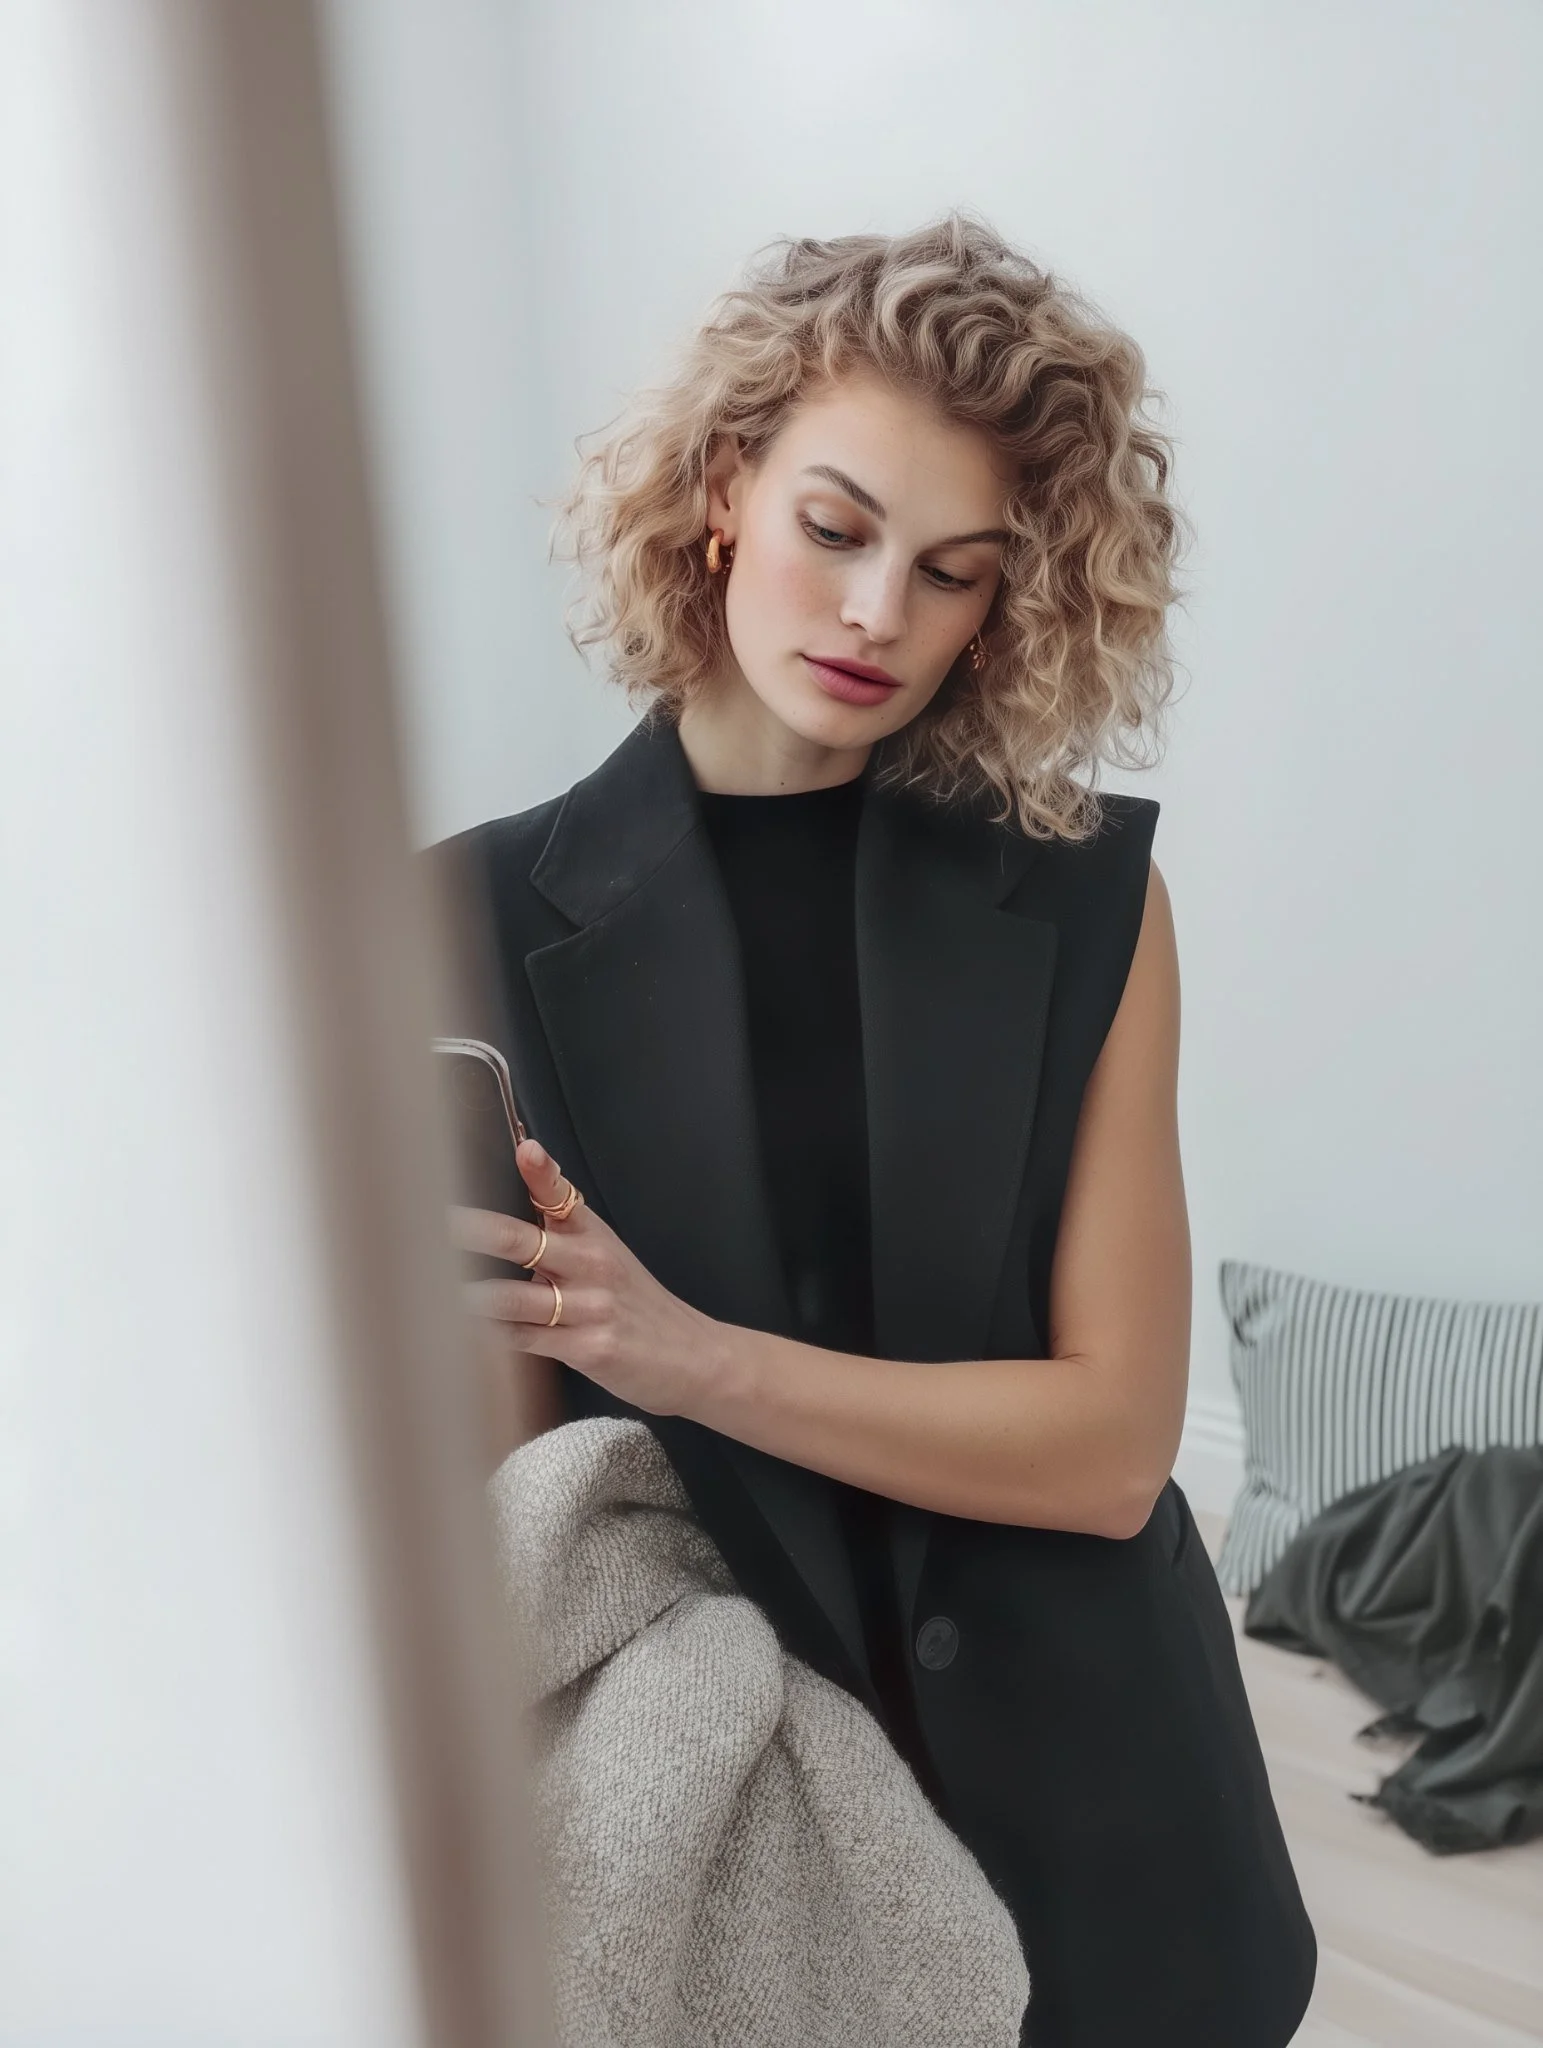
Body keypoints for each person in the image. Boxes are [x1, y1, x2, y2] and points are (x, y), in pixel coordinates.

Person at [431, 213, 1318, 2048]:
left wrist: (688, 1357)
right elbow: (506, 1495)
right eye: (835, 529)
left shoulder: (1086, 897)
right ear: (723, 491)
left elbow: (1109, 1449)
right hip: (728, 1841)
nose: (874, 616)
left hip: (1108, 1826)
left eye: (951, 572)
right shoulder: (465, 917)